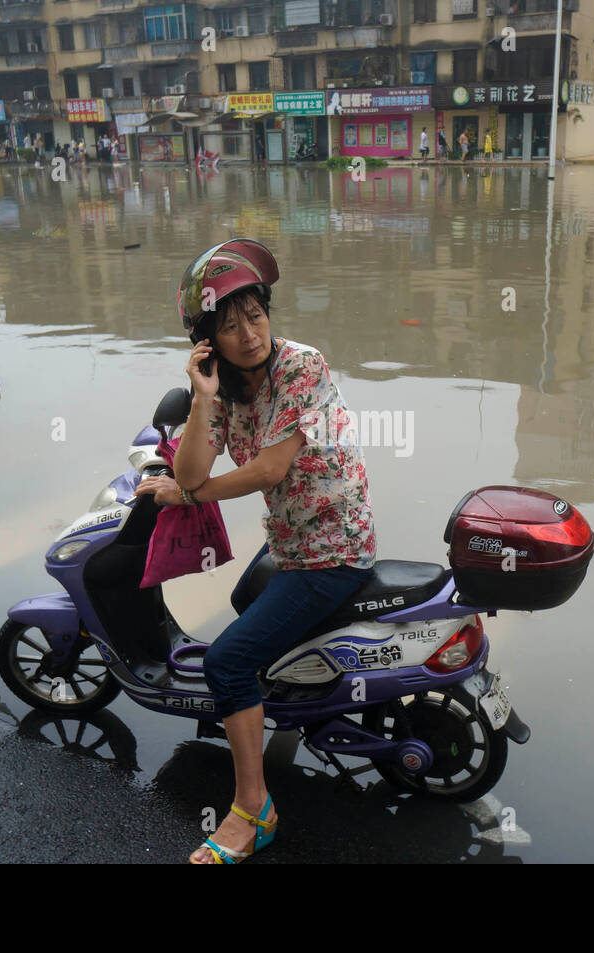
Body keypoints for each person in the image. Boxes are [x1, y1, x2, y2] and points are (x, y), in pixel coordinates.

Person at [134, 239, 377, 865]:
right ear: (209, 340)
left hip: (332, 550)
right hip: (291, 545)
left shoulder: (302, 367)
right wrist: (202, 396)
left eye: (255, 316)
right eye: (231, 324)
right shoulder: (225, 389)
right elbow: (190, 470)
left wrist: (186, 498)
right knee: (245, 600)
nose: (249, 333)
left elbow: (269, 470)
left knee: (227, 663)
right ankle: (285, 713)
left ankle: (252, 810)